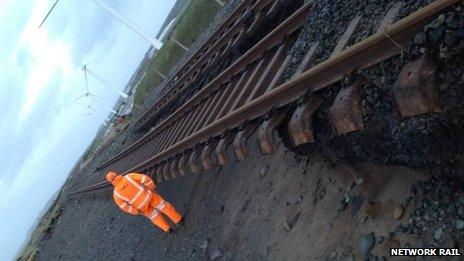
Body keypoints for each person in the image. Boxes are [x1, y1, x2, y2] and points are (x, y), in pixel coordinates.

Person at [106, 171, 183, 233]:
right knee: (164, 207)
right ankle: (178, 219)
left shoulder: (116, 194)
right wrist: (151, 187)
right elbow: (144, 179)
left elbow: (124, 207)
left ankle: (167, 229)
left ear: (110, 182)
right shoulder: (129, 177)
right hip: (149, 197)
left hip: (141, 207)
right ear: (116, 174)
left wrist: (136, 211)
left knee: (154, 216)